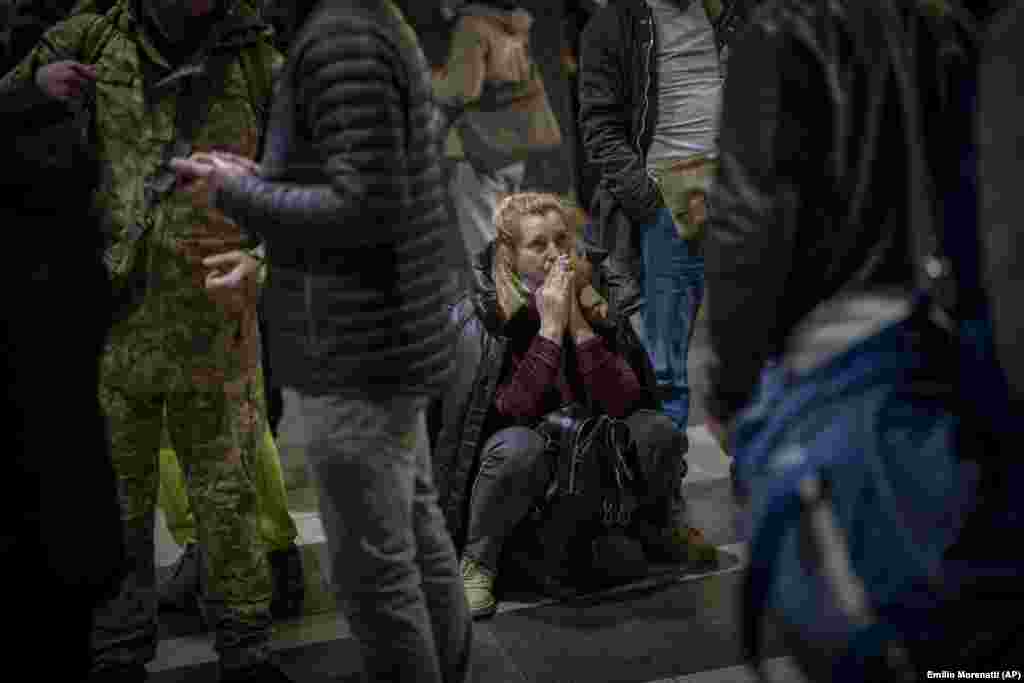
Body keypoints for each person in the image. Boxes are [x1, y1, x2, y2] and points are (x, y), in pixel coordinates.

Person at [170, 1, 472, 681]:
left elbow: (364, 204)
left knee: (375, 575)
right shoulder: (357, 24)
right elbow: (351, 179)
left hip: (358, 348)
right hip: (378, 339)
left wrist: (234, 196)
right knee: (416, 546)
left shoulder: (339, 36)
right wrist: (252, 179)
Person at [0, 1, 288, 680]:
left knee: (230, 501)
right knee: (117, 500)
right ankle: (117, 651)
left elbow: (306, 177)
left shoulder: (256, 56)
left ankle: (246, 650)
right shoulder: (93, 35)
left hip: (215, 320)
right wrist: (27, 94)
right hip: (111, 320)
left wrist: (264, 260)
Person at [432, 192, 718, 619]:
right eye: (538, 245)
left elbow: (625, 400)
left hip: (585, 451)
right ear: (508, 253)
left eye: (561, 240)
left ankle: (657, 526)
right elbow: (512, 411)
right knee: (518, 446)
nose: (555, 254)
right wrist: (549, 329)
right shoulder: (483, 315)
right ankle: (479, 561)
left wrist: (579, 323)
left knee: (655, 430)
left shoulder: (591, 297)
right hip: (515, 468)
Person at [578, 0, 729, 436]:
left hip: (735, 188)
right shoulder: (615, 24)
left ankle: (757, 474)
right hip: (670, 192)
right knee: (665, 364)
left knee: (755, 339)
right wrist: (649, 201)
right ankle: (663, 474)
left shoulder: (727, 13)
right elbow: (600, 128)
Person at [433, 0, 563, 283]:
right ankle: (523, 313)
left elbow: (464, 89)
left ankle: (507, 318)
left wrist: (431, 82)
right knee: (509, 240)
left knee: (486, 249)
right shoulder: (512, 24)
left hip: (478, 148)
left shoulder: (472, 26)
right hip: (512, 149)